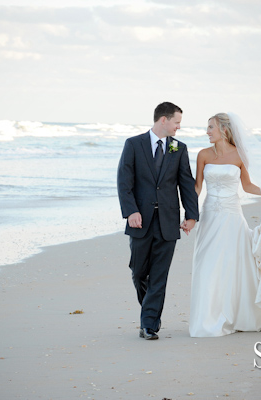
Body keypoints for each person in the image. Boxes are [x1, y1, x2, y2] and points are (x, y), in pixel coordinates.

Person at [189, 112, 261, 337]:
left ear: (224, 129)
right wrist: (189, 214)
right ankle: (207, 318)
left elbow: (247, 186)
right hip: (210, 216)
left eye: (210, 127)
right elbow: (197, 187)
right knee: (206, 264)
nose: (207, 132)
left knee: (233, 265)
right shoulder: (203, 155)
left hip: (232, 217)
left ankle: (235, 315)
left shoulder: (240, 155)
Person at [117, 102, 199, 340]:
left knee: (160, 275)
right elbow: (124, 181)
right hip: (139, 221)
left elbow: (186, 183)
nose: (178, 127)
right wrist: (130, 211)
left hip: (168, 221)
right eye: (177, 122)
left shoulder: (178, 148)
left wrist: (191, 216)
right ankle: (149, 312)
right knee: (138, 272)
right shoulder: (133, 144)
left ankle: (149, 324)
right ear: (164, 120)